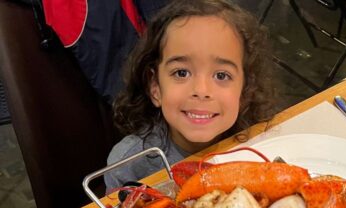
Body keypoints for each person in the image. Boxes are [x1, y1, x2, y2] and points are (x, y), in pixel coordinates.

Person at [103, 0, 276, 192]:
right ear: (155, 87)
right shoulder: (127, 165)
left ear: (245, 90)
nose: (201, 90)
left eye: (221, 75)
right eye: (181, 73)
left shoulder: (262, 143)